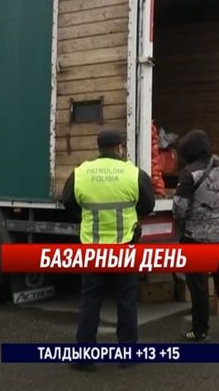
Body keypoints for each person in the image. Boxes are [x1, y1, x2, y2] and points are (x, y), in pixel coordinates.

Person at [61, 129, 155, 371]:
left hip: (93, 249)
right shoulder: (133, 174)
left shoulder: (81, 173)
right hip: (124, 247)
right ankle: (127, 355)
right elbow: (148, 204)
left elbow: (69, 203)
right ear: (120, 147)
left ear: (99, 147)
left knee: (90, 300)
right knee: (126, 300)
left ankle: (83, 357)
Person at [173, 130, 219, 341]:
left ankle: (200, 329)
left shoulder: (189, 172)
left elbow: (179, 208)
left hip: (196, 236)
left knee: (199, 284)